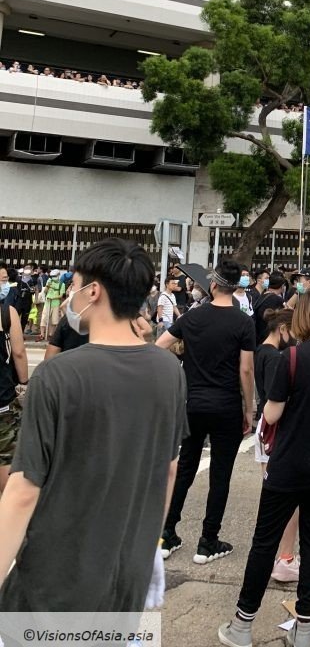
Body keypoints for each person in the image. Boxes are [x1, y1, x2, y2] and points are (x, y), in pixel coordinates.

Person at [0, 238, 187, 611]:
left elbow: (24, 489)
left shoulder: (57, 375)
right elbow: (168, 470)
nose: (70, 295)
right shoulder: (169, 370)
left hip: (55, 582)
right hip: (128, 574)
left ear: (94, 291)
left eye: (74, 285)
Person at [218, 288, 310, 647]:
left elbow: (272, 413)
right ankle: (305, 627)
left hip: (288, 464)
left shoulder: (291, 357)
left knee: (264, 542)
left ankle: (243, 624)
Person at [157, 257, 256, 563]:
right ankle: (208, 541)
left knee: (185, 466)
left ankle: (167, 534)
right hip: (226, 403)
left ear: (213, 284)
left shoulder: (192, 317)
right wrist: (249, 409)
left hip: (192, 402)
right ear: (235, 285)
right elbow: (246, 371)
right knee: (220, 474)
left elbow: (159, 347)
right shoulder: (243, 322)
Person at [254, 307, 301, 582]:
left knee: (272, 494)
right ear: (282, 329)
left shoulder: (261, 351)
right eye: (293, 332)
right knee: (285, 499)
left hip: (264, 429)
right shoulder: (276, 358)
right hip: (275, 430)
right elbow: (278, 402)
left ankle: (279, 554)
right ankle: (285, 556)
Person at [0, 289, 28, 492]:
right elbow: (18, 352)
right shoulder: (6, 312)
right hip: (2, 401)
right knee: (5, 458)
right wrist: (24, 383)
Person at [39, 268, 66, 341]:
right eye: (52, 276)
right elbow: (45, 291)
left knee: (54, 320)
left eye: (55, 276)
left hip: (55, 304)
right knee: (44, 318)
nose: (53, 277)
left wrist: (53, 297)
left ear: (58, 275)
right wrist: (48, 286)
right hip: (47, 303)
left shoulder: (62, 284)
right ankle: (42, 334)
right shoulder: (49, 281)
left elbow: (61, 295)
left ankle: (51, 334)